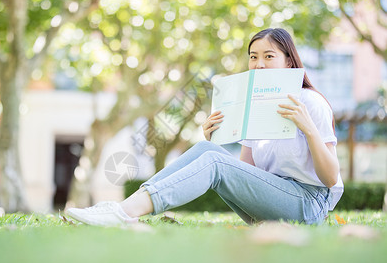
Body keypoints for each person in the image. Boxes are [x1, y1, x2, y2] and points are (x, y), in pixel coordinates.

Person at [66, 28, 344, 226]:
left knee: (213, 160)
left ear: (289, 61)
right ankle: (126, 207)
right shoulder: (254, 104)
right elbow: (250, 175)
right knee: (207, 148)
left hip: (307, 204)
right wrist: (220, 139)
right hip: (269, 207)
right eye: (253, 56)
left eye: (269, 56)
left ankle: (124, 213)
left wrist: (308, 129)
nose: (258, 64)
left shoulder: (311, 103)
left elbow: (330, 179)